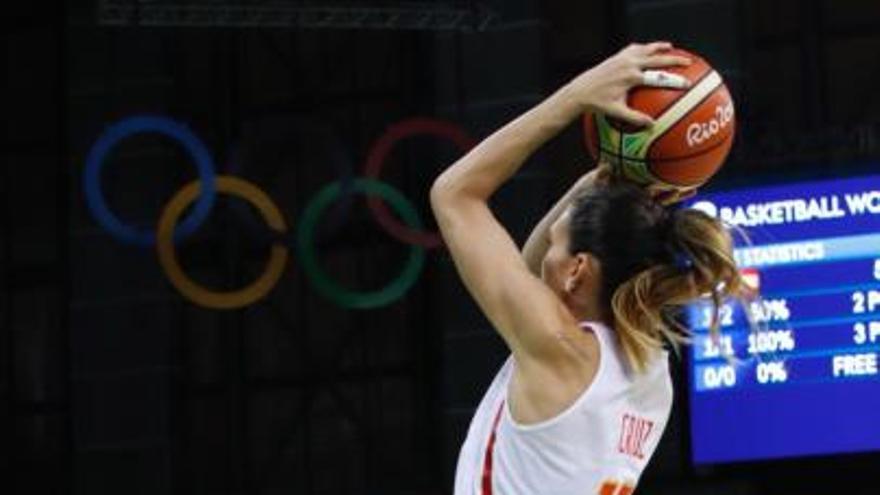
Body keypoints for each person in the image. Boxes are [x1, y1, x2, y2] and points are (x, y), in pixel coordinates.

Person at [429, 42, 747, 494]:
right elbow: (523, 272)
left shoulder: (557, 348)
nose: (543, 257)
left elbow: (454, 193)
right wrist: (598, 183)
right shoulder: (649, 377)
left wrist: (576, 95)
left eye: (555, 242)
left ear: (577, 270)